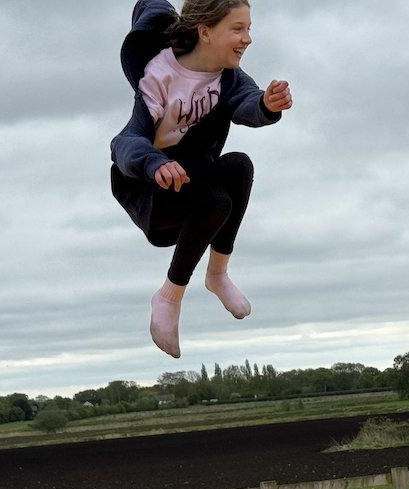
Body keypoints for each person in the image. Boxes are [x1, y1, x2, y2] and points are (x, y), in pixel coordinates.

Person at [110, 0, 292, 358]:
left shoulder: (228, 78)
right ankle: (169, 297)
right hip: (153, 193)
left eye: (249, 28)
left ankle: (217, 275)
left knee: (239, 165)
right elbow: (125, 142)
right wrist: (152, 162)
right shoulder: (159, 76)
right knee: (216, 200)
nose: (248, 39)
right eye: (238, 29)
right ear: (205, 32)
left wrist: (267, 105)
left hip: (193, 180)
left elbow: (246, 103)